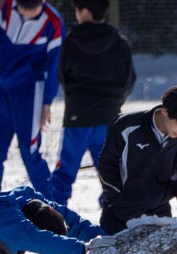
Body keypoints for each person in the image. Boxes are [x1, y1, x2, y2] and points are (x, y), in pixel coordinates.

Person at [50, 0, 136, 205]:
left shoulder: (71, 40)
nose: (76, 15)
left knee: (65, 171)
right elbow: (129, 78)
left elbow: (61, 74)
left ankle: (55, 213)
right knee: (110, 171)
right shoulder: (118, 40)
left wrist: (75, 97)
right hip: (108, 117)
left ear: (86, 12)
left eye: (77, 10)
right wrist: (115, 102)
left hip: (78, 117)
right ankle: (113, 210)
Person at [97, 84, 177, 235]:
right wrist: (117, 200)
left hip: (159, 216)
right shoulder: (127, 127)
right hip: (118, 214)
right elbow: (106, 165)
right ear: (165, 111)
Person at [0, 0, 65, 196]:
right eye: (23, 8)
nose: (27, 13)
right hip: (3, 89)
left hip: (30, 93)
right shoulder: (6, 8)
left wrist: (46, 103)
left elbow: (55, 67)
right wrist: (0, 62)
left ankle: (54, 208)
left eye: (33, 9)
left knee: (30, 152)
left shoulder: (53, 22)